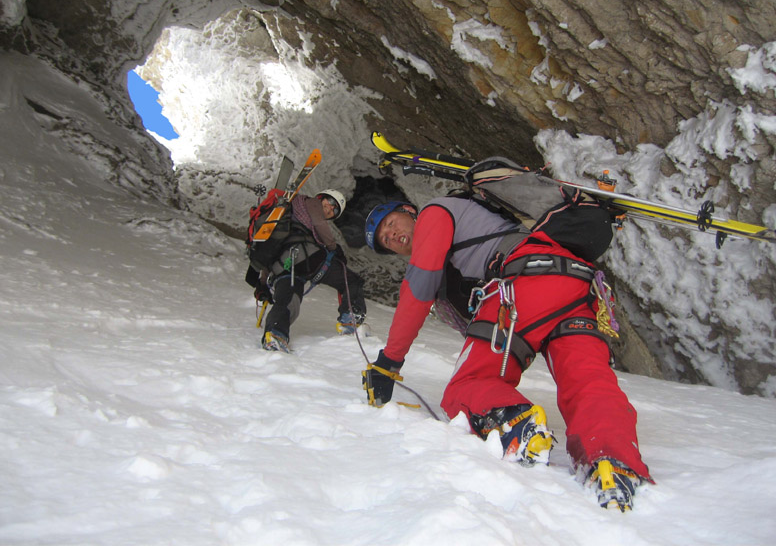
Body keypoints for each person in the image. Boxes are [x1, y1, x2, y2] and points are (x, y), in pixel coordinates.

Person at [361, 196, 652, 511]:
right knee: (587, 381)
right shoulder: (473, 231)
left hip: (525, 280)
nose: (391, 236)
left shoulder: (434, 212)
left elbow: (419, 286)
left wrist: (389, 361)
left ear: (409, 211)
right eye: (385, 241)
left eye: (390, 225)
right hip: (578, 286)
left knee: (467, 384)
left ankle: (517, 423)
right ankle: (613, 463)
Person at [256, 189, 366, 352]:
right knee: (351, 280)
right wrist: (334, 249)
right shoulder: (310, 202)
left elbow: (269, 253)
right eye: (330, 204)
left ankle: (275, 335)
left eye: (333, 211)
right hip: (307, 257)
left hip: (283, 266)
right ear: (321, 197)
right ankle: (351, 318)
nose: (329, 210)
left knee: (288, 301)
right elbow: (319, 224)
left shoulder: (289, 219)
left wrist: (262, 283)